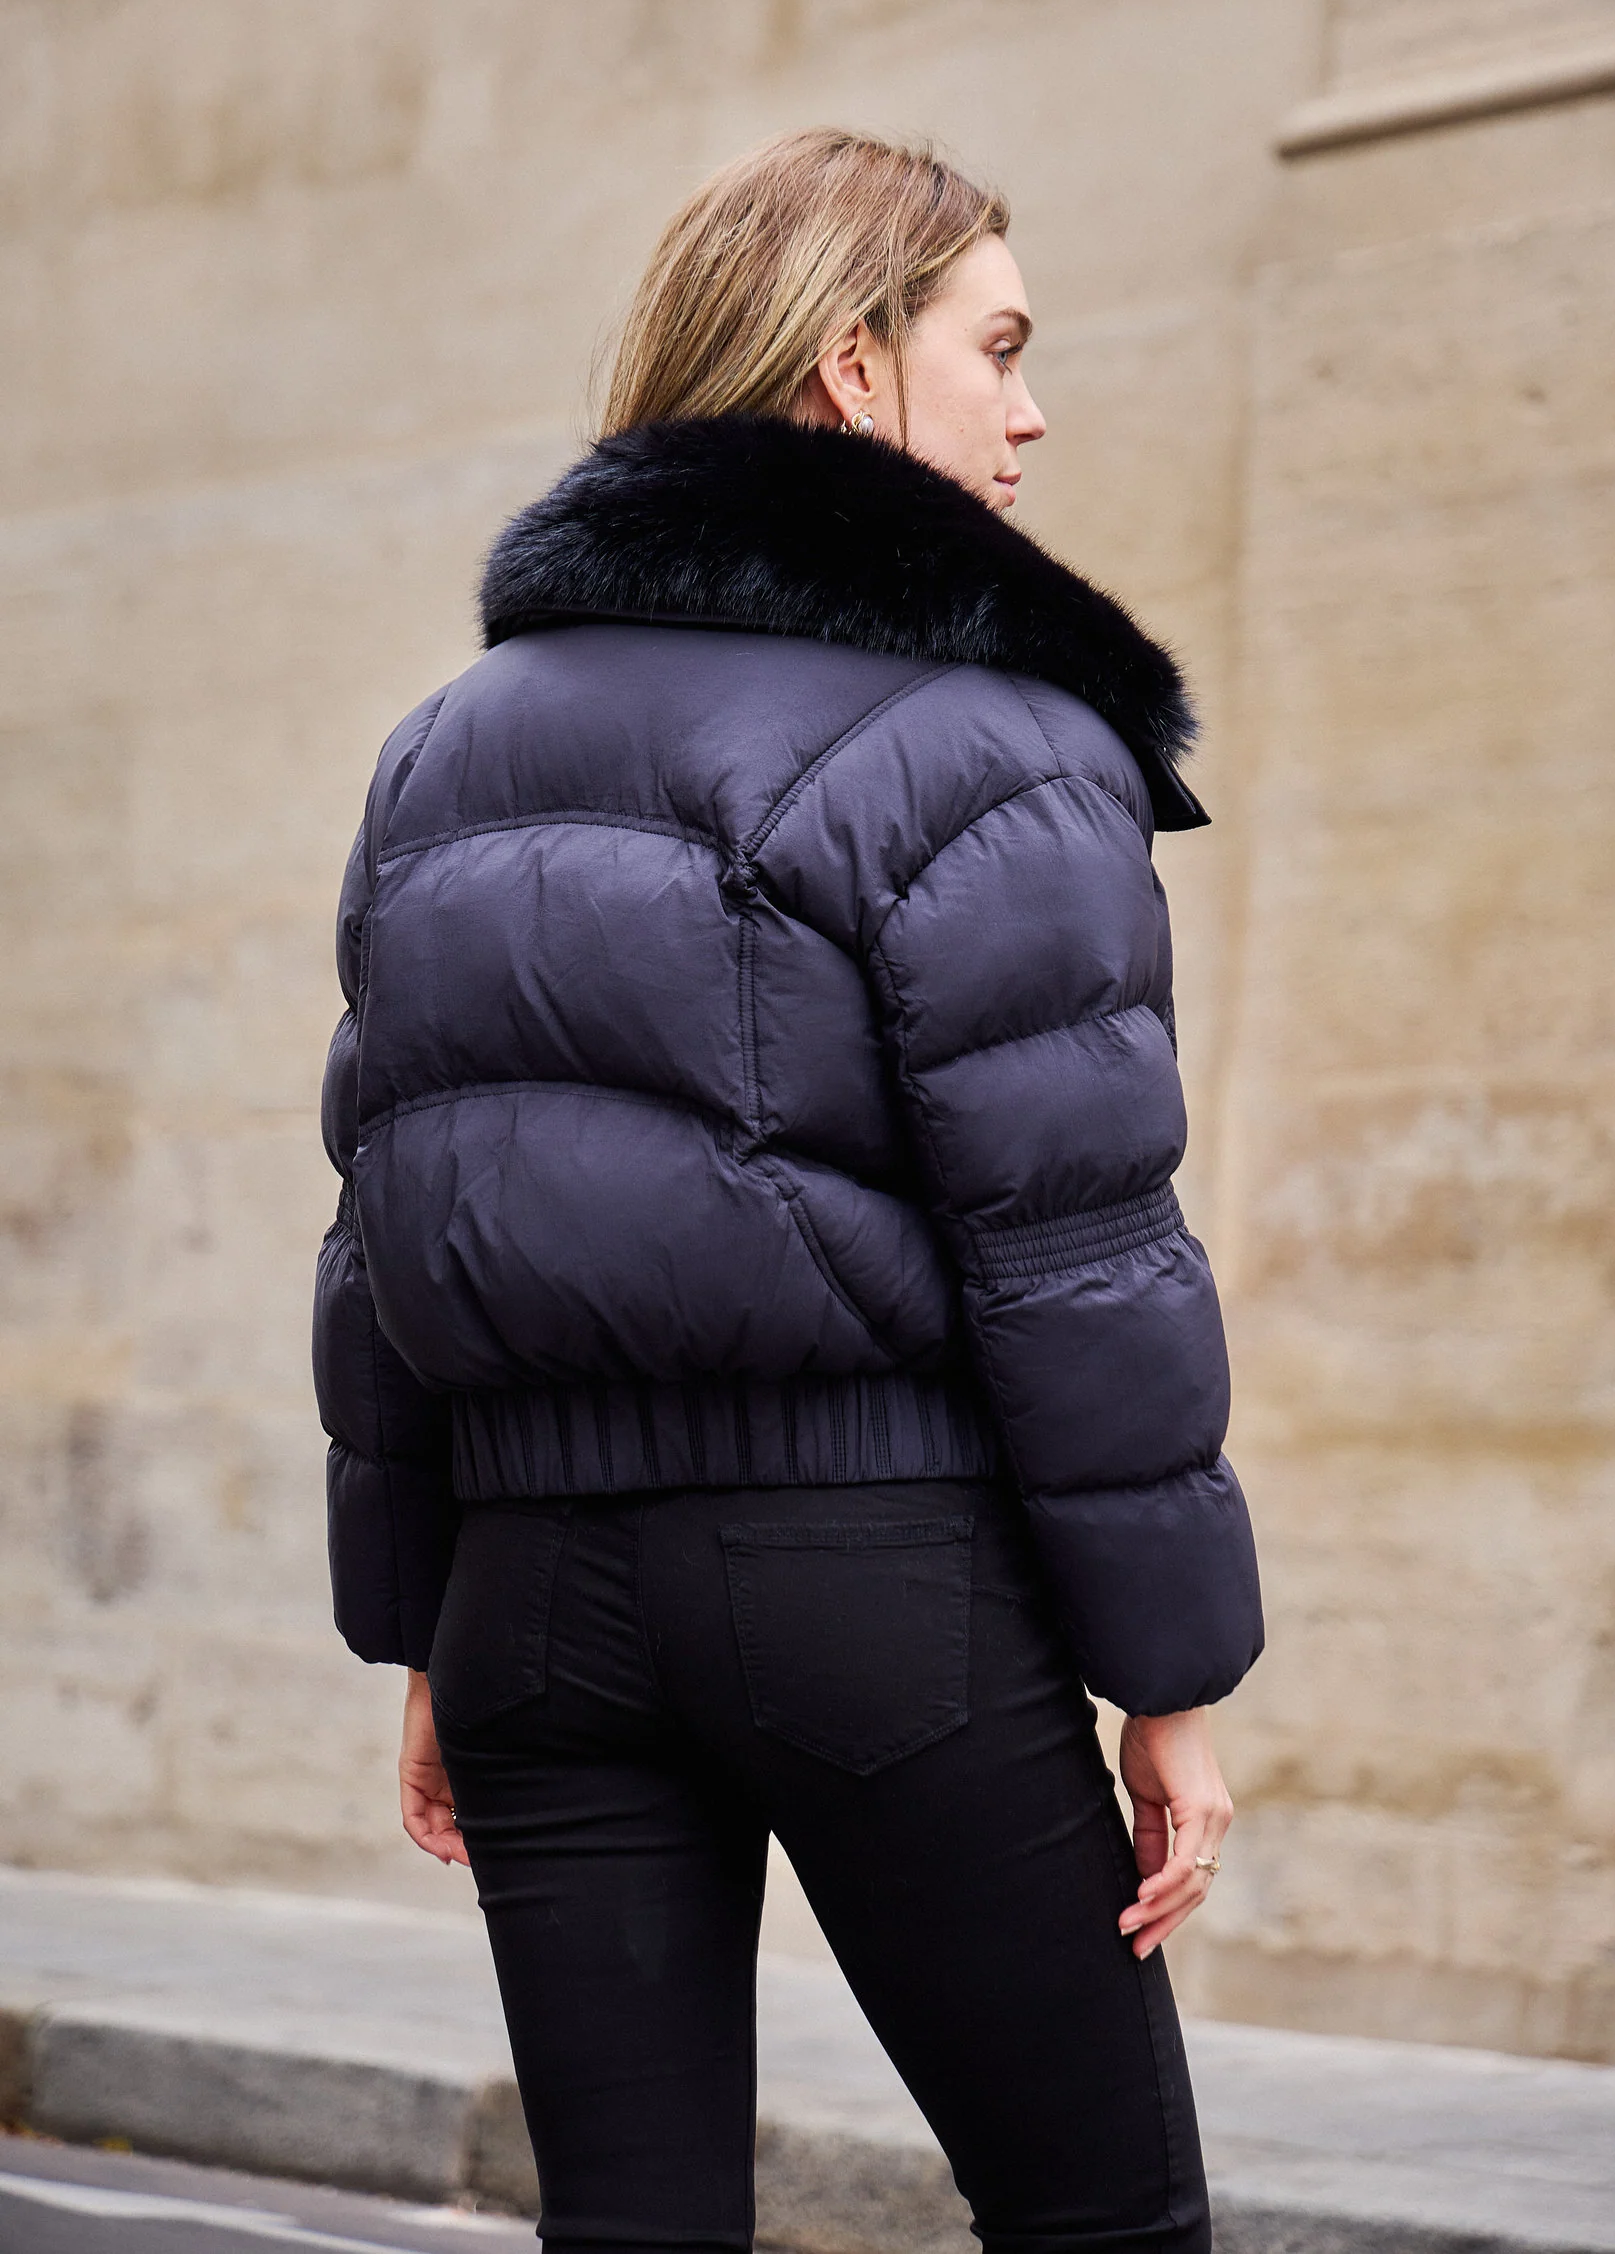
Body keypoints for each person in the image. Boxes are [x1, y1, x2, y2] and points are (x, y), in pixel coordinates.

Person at [314, 127, 1263, 2254]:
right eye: (996, 348)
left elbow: (382, 1210)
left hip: (535, 1611)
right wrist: (1175, 1676)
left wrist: (426, 1627)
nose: (1032, 411)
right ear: (850, 363)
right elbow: (1079, 1246)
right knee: (1103, 2220)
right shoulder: (995, 737)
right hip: (872, 1587)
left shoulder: (443, 748)